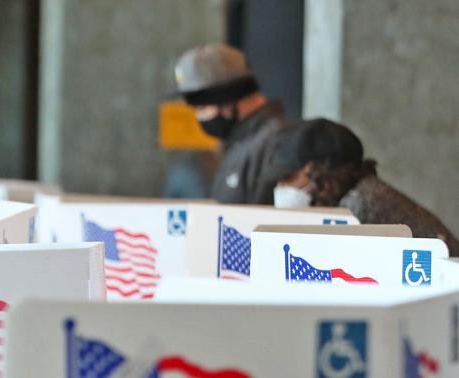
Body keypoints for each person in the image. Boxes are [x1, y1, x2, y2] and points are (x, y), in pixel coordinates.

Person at [271, 118, 459, 253]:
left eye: (289, 177)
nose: (281, 186)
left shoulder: (358, 206)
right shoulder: (363, 193)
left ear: (321, 176)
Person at [175, 43, 288, 205]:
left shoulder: (273, 143)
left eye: (201, 107)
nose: (197, 116)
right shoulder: (242, 142)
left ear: (226, 98)